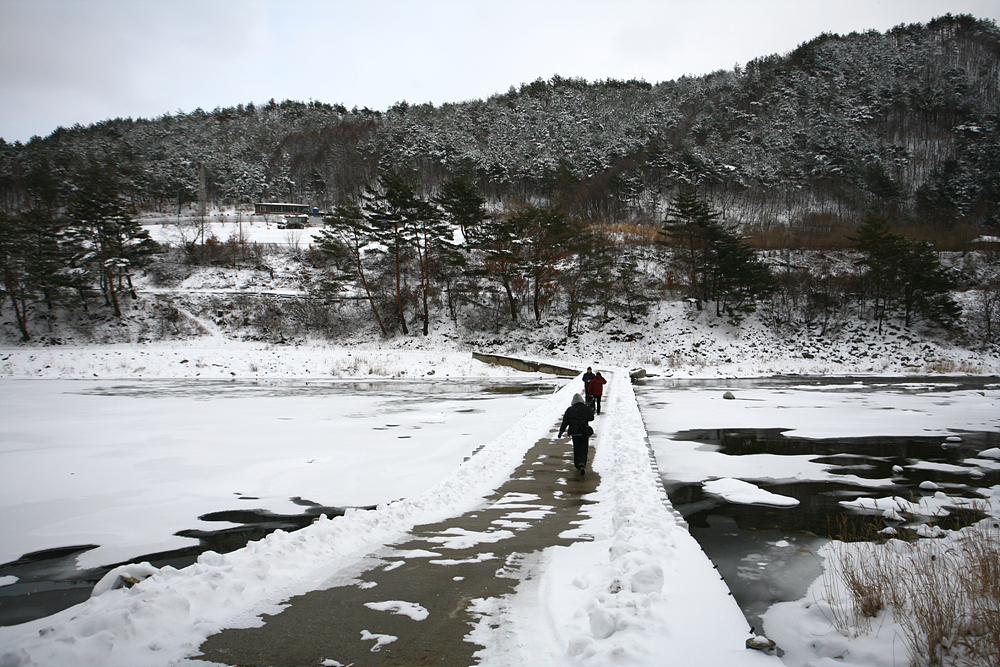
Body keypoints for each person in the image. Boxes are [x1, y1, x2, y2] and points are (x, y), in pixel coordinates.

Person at [558, 393, 595, 475]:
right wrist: (591, 409)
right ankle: (582, 464)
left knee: (576, 448)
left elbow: (565, 421)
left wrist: (561, 431)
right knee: (584, 448)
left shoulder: (570, 410)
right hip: (584, 432)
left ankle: (577, 464)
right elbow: (591, 418)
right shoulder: (586, 408)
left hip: (574, 432)